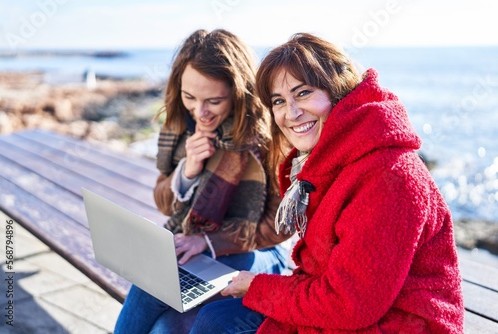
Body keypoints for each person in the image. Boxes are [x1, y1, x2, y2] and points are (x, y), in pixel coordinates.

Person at [189, 33, 465, 333]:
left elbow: (349, 305)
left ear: (339, 92)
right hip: (350, 310)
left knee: (211, 324)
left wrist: (258, 286)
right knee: (203, 318)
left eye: (303, 93)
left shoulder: (389, 177)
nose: (291, 113)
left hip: (398, 323)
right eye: (279, 101)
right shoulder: (323, 163)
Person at [114, 29, 292, 334]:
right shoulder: (180, 127)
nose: (200, 112)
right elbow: (162, 200)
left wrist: (208, 242)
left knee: (159, 279)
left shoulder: (268, 139)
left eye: (214, 100)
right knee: (163, 328)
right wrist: (188, 170)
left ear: (238, 94)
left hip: (262, 255)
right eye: (189, 97)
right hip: (195, 248)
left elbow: (280, 227)